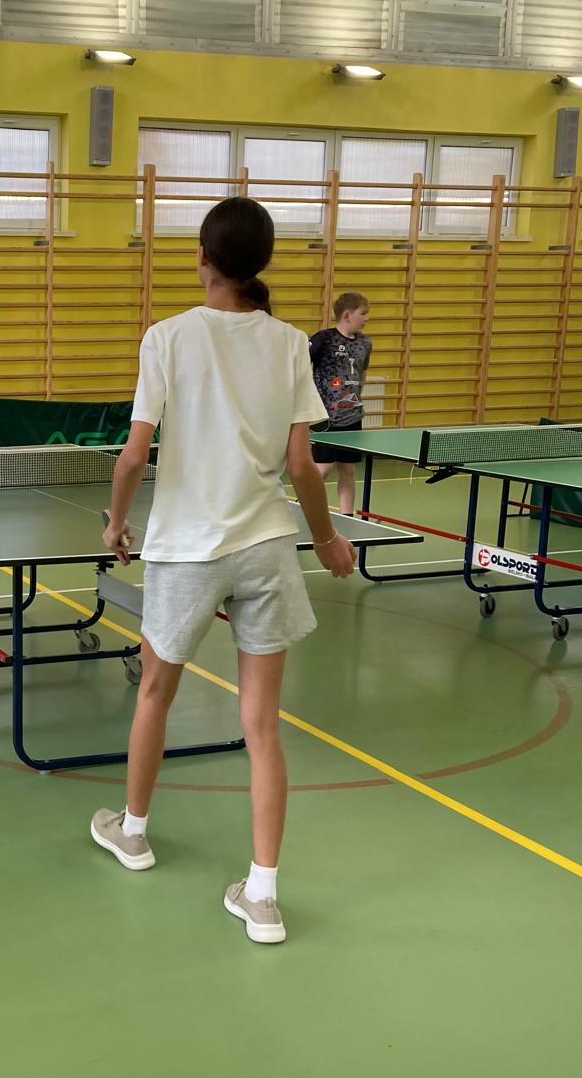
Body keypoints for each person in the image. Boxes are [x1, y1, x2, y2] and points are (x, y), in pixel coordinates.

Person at [91, 197, 355, 945]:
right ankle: (263, 897)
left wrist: (115, 524)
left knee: (154, 693)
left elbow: (135, 455)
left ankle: (133, 832)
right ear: (261, 261)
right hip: (266, 547)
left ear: (202, 258)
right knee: (261, 726)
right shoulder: (290, 343)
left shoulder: (166, 337)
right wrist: (327, 539)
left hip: (186, 549)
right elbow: (301, 464)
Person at [309, 292, 373, 515]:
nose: (366, 319)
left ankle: (347, 516)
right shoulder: (323, 339)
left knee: (348, 469)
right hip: (324, 416)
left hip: (351, 416)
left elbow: (362, 374)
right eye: (363, 314)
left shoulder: (365, 343)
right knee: (323, 468)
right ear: (347, 315)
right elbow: (300, 365)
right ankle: (300, 508)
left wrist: (354, 400)